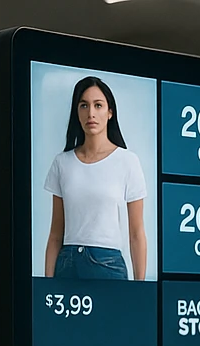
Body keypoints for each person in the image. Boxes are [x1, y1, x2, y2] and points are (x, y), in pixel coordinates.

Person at [43, 76, 148, 280]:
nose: (90, 113)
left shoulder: (127, 161)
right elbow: (56, 233)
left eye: (98, 105)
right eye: (84, 105)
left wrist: (140, 289)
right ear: (77, 111)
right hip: (68, 264)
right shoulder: (62, 163)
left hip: (108, 265)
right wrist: (46, 287)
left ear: (110, 112)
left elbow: (136, 233)